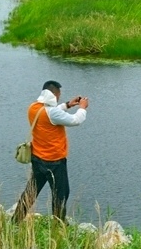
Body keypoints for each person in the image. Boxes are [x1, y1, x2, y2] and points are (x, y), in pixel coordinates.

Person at [12, 80, 90, 223]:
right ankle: (58, 225)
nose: (59, 97)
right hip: (54, 162)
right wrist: (82, 108)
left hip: (37, 159)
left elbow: (49, 112)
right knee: (61, 194)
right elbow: (75, 120)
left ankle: (15, 221)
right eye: (59, 95)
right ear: (54, 94)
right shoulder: (52, 113)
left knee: (31, 192)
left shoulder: (33, 108)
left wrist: (68, 105)